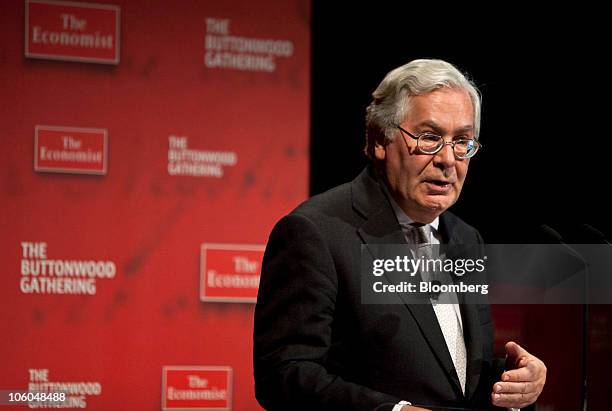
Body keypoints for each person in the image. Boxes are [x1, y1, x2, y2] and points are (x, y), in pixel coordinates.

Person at [253, 59, 546, 411]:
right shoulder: (316, 232)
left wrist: (513, 380)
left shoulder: (466, 238)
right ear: (380, 140)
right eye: (430, 138)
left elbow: (453, 370)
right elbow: (283, 375)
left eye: (462, 141)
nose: (448, 160)